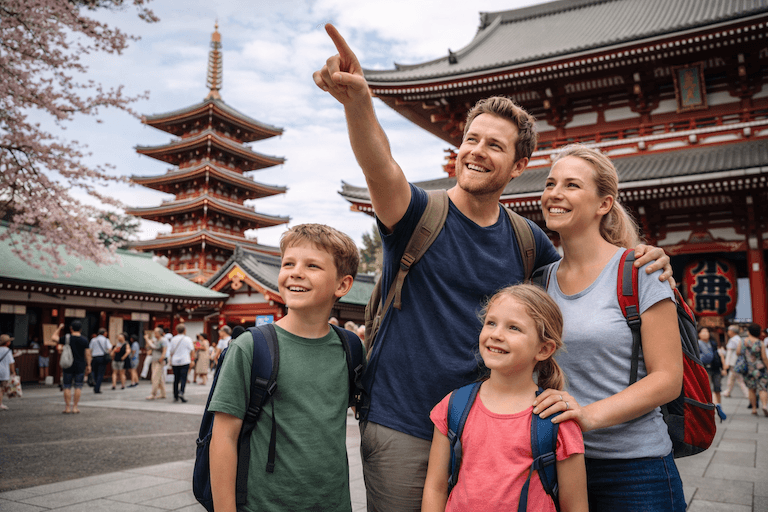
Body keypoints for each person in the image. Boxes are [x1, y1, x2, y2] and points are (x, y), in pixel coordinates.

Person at [313, 24, 672, 510]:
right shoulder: (417, 213)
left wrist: (642, 254)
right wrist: (358, 103)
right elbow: (380, 167)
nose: (476, 152)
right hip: (405, 422)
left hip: (493, 429)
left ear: (519, 166)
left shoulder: (528, 244)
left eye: (495, 146)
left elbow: (587, 263)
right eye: (471, 139)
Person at [532, 144, 685, 511]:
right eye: (551, 183)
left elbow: (667, 378)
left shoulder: (641, 271)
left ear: (604, 204)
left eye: (571, 185)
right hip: (558, 461)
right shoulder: (539, 282)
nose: (555, 193)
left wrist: (587, 415)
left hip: (634, 468)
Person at [208, 223, 361, 511]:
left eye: (312, 265)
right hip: (265, 504)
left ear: (342, 285)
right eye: (288, 263)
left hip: (334, 503)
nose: (296, 272)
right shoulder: (250, 347)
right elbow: (224, 438)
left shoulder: (350, 348)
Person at [422, 284, 587, 511]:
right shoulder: (453, 406)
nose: (496, 334)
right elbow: (435, 488)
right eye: (491, 323)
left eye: (514, 328)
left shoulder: (556, 418)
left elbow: (575, 506)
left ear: (544, 349)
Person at [52, 322, 91, 414]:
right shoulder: (84, 340)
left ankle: (67, 407)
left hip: (68, 364)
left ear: (71, 329)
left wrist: (59, 328)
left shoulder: (66, 338)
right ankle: (75, 407)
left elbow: (53, 338)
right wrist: (89, 365)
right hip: (80, 365)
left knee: (67, 386)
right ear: (80, 329)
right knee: (78, 386)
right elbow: (88, 354)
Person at [736, 323, 768, 417]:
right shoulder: (760, 343)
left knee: (751, 389)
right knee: (763, 388)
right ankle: (765, 405)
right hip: (760, 368)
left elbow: (738, 352)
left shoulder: (742, 341)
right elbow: (764, 358)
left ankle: (754, 409)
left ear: (749, 331)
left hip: (748, 368)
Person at [698, 327, 725, 404]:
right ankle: (710, 404)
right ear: (699, 334)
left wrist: (723, 367)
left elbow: (719, 354)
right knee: (707, 388)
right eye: (703, 331)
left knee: (717, 387)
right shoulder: (697, 343)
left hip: (715, 367)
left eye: (706, 331)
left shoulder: (713, 343)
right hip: (705, 367)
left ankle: (719, 405)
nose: (705, 333)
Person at [168, 324, 194, 403]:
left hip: (175, 361)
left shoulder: (173, 339)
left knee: (176, 378)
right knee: (183, 378)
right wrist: (192, 359)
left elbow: (171, 351)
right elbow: (192, 350)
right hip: (185, 360)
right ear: (185, 330)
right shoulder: (188, 339)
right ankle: (181, 392)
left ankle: (175, 395)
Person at [723, 324, 750, 398]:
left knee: (738, 379)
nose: (728, 332)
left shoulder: (733, 340)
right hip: (738, 362)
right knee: (733, 378)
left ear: (732, 331)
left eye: (729, 330)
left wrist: (726, 363)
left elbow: (729, 353)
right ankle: (728, 391)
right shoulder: (739, 339)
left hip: (734, 362)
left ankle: (747, 393)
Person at [144, 327, 167, 400]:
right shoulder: (155, 340)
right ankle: (163, 393)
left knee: (154, 378)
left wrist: (147, 340)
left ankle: (153, 394)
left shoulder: (163, 340)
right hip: (154, 360)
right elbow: (148, 347)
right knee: (159, 378)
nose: (155, 334)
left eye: (156, 332)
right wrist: (148, 341)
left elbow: (162, 349)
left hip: (159, 361)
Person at [89, 328, 112, 394]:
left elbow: (90, 349)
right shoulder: (106, 340)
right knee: (100, 373)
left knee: (94, 372)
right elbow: (109, 348)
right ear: (104, 333)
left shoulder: (93, 340)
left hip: (94, 357)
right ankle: (97, 388)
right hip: (102, 358)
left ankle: (94, 382)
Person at [0, 334, 16, 411]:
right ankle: (0, 404)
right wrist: (13, 372)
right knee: (1, 389)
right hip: (4, 372)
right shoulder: (8, 351)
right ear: (7, 343)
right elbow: (11, 363)